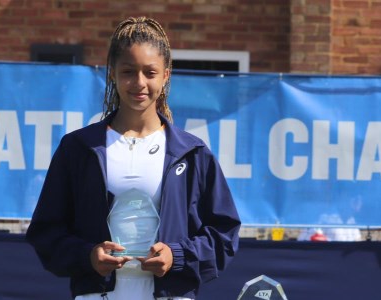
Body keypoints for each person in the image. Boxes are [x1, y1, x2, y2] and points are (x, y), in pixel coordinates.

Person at [26, 17, 241, 299]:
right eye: (128, 71)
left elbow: (225, 234)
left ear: (165, 75)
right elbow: (46, 232)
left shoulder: (193, 153)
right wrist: (87, 255)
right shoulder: (78, 149)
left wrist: (176, 256)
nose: (139, 83)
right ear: (113, 73)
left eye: (150, 72)